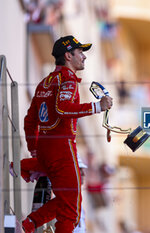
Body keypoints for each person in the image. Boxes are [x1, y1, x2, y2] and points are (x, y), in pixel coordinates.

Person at [22, 35, 113, 233]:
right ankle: (28, 221)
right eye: (80, 52)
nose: (84, 57)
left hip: (46, 146)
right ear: (68, 56)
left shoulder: (45, 82)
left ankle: (28, 224)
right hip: (62, 146)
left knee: (69, 199)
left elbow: (30, 121)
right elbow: (63, 109)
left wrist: (35, 149)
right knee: (72, 209)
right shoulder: (68, 79)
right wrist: (98, 106)